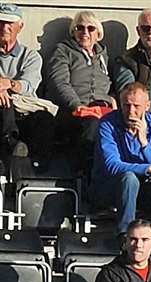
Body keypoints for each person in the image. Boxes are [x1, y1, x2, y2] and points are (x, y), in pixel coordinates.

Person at [92, 81, 151, 236]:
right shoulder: (107, 124)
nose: (130, 111)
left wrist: (144, 144)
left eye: (136, 106)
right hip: (112, 187)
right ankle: (125, 237)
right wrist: (149, 168)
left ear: (147, 106)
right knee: (129, 178)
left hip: (145, 189)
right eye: (126, 105)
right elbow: (112, 165)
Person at [44, 10, 113, 166]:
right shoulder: (63, 51)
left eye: (90, 28)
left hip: (101, 108)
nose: (85, 32)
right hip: (73, 109)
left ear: (98, 34)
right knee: (92, 125)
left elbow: (109, 83)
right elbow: (59, 83)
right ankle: (83, 171)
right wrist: (77, 105)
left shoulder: (103, 56)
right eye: (80, 28)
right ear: (73, 31)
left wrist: (112, 99)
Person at [0, 5, 58, 159]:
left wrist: (9, 84)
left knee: (45, 120)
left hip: (25, 110)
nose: (5, 27)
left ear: (20, 27)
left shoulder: (31, 56)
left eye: (10, 23)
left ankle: (38, 170)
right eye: (1, 22)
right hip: (3, 113)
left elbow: (28, 86)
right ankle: (10, 143)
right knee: (4, 106)